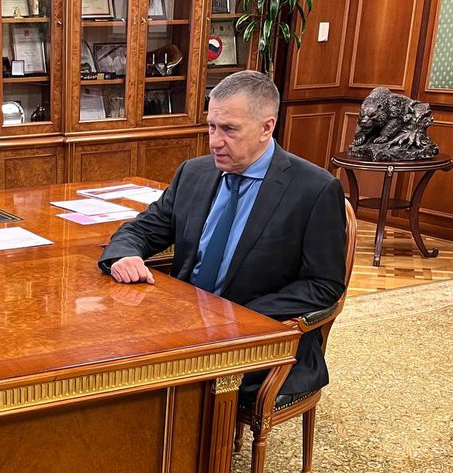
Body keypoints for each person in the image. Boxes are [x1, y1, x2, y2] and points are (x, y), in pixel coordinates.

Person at [98, 70, 347, 404]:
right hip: (183, 324)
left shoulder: (314, 190)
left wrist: (237, 315)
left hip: (258, 339)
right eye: (212, 126)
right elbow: (143, 228)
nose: (215, 141)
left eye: (229, 129)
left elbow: (324, 285)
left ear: (266, 128)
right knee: (108, 362)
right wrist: (124, 255)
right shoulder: (194, 172)